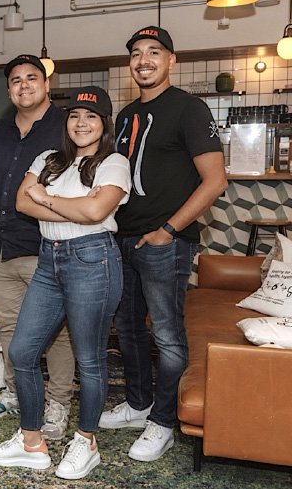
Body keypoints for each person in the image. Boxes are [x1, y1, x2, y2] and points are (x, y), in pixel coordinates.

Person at [0, 86, 130, 480]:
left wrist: (46, 198)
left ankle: (87, 441)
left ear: (104, 124)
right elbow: (21, 202)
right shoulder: (49, 158)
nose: (81, 123)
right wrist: (73, 207)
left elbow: (97, 210)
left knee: (90, 359)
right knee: (23, 351)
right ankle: (32, 442)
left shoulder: (114, 162)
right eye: (74, 116)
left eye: (91, 116)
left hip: (92, 259)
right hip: (49, 260)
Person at [98, 26, 227, 462]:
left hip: (164, 242)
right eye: (136, 53)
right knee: (129, 331)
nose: (143, 60)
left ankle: (164, 422)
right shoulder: (125, 115)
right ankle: (138, 405)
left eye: (154, 51)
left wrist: (168, 230)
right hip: (124, 240)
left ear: (172, 60)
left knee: (168, 336)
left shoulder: (189, 109)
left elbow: (215, 181)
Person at [0, 54, 75, 439]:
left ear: (46, 84)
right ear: (8, 89)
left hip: (45, 247)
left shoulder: (67, 126)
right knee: (10, 329)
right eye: (15, 80)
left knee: (56, 332)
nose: (24, 85)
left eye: (32, 78)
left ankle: (58, 403)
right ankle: (16, 391)